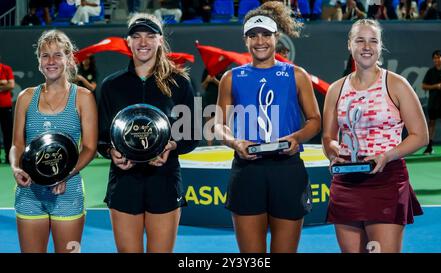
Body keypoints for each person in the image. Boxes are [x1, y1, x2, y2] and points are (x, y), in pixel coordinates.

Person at [214, 1, 321, 253]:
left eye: (265, 34)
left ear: (277, 37)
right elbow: (218, 125)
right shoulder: (231, 78)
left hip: (288, 169)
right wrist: (235, 142)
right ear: (245, 40)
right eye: (252, 35)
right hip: (247, 171)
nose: (259, 41)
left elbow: (315, 120)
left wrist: (296, 138)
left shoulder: (297, 74)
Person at [322, 19, 428, 253]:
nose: (366, 46)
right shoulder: (335, 89)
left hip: (386, 182)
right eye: (360, 40)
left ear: (380, 46)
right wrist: (333, 151)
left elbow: (420, 136)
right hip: (346, 182)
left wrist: (387, 155)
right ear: (350, 45)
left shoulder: (397, 84)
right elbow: (328, 137)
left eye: (373, 41)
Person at [97, 13, 199, 253]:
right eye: (137, 36)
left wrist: (171, 146)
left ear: (160, 41)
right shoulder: (111, 85)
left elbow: (193, 134)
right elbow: (101, 136)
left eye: (150, 36)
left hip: (164, 179)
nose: (143, 42)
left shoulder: (180, 83)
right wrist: (111, 151)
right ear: (128, 42)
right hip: (123, 182)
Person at [9, 30, 97, 253]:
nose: (51, 61)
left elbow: (89, 148)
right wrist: (15, 167)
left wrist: (65, 174)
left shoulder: (83, 97)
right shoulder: (25, 97)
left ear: (68, 58)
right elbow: (16, 144)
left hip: (68, 192)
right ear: (39, 61)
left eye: (58, 55)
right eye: (45, 55)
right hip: (29, 192)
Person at [422, 50, 441, 154]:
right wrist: (436, 86)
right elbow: (423, 86)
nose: (436, 60)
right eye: (434, 58)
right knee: (431, 124)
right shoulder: (430, 72)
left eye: (438, 57)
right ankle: (429, 147)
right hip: (433, 103)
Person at [0, 57, 14, 164]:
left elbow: (11, 85)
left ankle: (10, 158)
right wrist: (3, 84)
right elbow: (7, 84)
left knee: (8, 133)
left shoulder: (6, 69)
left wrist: (7, 84)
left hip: (5, 107)